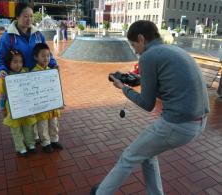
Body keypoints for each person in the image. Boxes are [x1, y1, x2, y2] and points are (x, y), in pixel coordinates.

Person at [90, 20, 210, 195]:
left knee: (128, 157)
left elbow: (148, 105)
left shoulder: (148, 56)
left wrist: (124, 88)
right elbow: (171, 89)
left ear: (141, 38)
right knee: (147, 153)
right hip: (199, 122)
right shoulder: (174, 49)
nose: (134, 50)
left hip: (177, 125)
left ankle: (101, 192)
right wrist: (143, 82)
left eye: (133, 45)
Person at [0, 2, 57, 78]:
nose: (29, 19)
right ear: (17, 17)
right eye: (26, 16)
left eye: (31, 16)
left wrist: (54, 65)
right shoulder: (8, 37)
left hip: (38, 77)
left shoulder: (38, 35)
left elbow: (47, 53)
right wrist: (1, 70)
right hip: (17, 79)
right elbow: (0, 57)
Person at [0, 49, 36, 157]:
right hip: (12, 108)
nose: (18, 64)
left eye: (20, 61)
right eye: (14, 62)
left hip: (26, 107)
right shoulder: (5, 77)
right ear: (8, 63)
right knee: (16, 129)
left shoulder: (26, 72)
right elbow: (2, 95)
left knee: (28, 126)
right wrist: (2, 108)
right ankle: (20, 147)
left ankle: (31, 144)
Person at [32, 43, 63, 153]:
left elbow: (56, 87)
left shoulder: (51, 70)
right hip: (42, 106)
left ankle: (54, 140)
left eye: (48, 55)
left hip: (53, 106)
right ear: (36, 57)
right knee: (43, 125)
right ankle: (46, 143)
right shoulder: (33, 72)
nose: (46, 58)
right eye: (43, 56)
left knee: (54, 124)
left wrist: (60, 101)